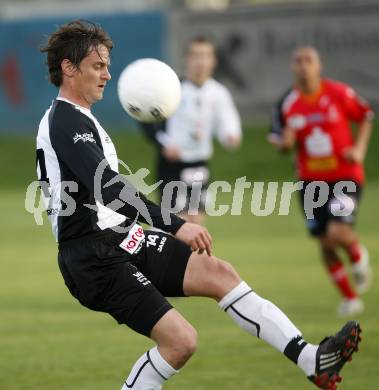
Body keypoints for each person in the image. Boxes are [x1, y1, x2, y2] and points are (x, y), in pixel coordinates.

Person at [37, 21, 361, 390]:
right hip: (92, 257)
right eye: (98, 66)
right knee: (180, 341)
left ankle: (312, 360)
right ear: (68, 67)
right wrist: (176, 224)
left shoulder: (80, 119)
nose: (108, 75)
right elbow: (108, 188)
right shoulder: (63, 120)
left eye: (107, 66)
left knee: (219, 273)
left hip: (123, 237)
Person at [268, 46, 373, 316]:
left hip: (344, 176)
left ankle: (358, 256)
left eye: (309, 61)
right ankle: (350, 298)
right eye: (298, 61)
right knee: (325, 242)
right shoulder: (287, 103)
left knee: (339, 233)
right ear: (293, 67)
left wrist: (359, 150)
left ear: (319, 65)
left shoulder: (338, 93)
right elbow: (277, 140)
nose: (303, 66)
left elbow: (366, 116)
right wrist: (285, 143)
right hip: (310, 183)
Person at [141, 36, 242, 225]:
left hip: (200, 164)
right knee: (178, 226)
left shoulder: (218, 93)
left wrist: (230, 135)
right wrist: (164, 144)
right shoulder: (172, 90)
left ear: (214, 61)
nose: (200, 62)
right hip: (172, 166)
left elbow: (227, 121)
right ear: (187, 59)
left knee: (196, 224)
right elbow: (147, 120)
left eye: (205, 56)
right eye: (196, 56)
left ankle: (192, 256)